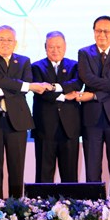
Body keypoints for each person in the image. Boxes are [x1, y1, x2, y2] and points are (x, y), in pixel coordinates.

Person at [0, 25, 52, 199]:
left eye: (9, 40)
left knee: (17, 168)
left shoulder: (25, 61)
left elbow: (22, 88)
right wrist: (25, 86)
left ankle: (15, 208)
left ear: (16, 43)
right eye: (1, 39)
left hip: (17, 121)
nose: (5, 43)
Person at [77, 15, 110, 198]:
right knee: (92, 167)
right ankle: (93, 207)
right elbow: (87, 77)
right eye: (98, 30)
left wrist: (94, 95)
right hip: (92, 117)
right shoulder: (84, 53)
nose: (102, 34)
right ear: (93, 32)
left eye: (106, 31)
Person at [31, 31, 83, 183]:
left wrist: (54, 87)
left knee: (70, 176)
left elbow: (77, 84)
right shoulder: (36, 67)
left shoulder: (75, 66)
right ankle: (41, 206)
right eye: (51, 47)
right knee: (43, 176)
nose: (55, 50)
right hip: (45, 128)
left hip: (69, 129)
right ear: (45, 47)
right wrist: (64, 95)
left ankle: (71, 206)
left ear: (65, 47)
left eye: (59, 47)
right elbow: (41, 92)